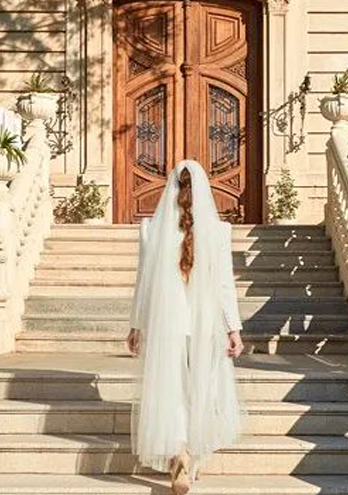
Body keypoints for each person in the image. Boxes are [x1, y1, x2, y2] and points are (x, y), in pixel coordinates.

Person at [127, 161, 245, 494]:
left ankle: (178, 452)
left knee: (170, 389)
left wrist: (136, 325)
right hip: (204, 324)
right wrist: (232, 328)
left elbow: (144, 283)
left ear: (171, 189)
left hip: (166, 323)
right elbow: (223, 285)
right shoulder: (218, 232)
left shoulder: (151, 229)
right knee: (201, 389)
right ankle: (193, 457)